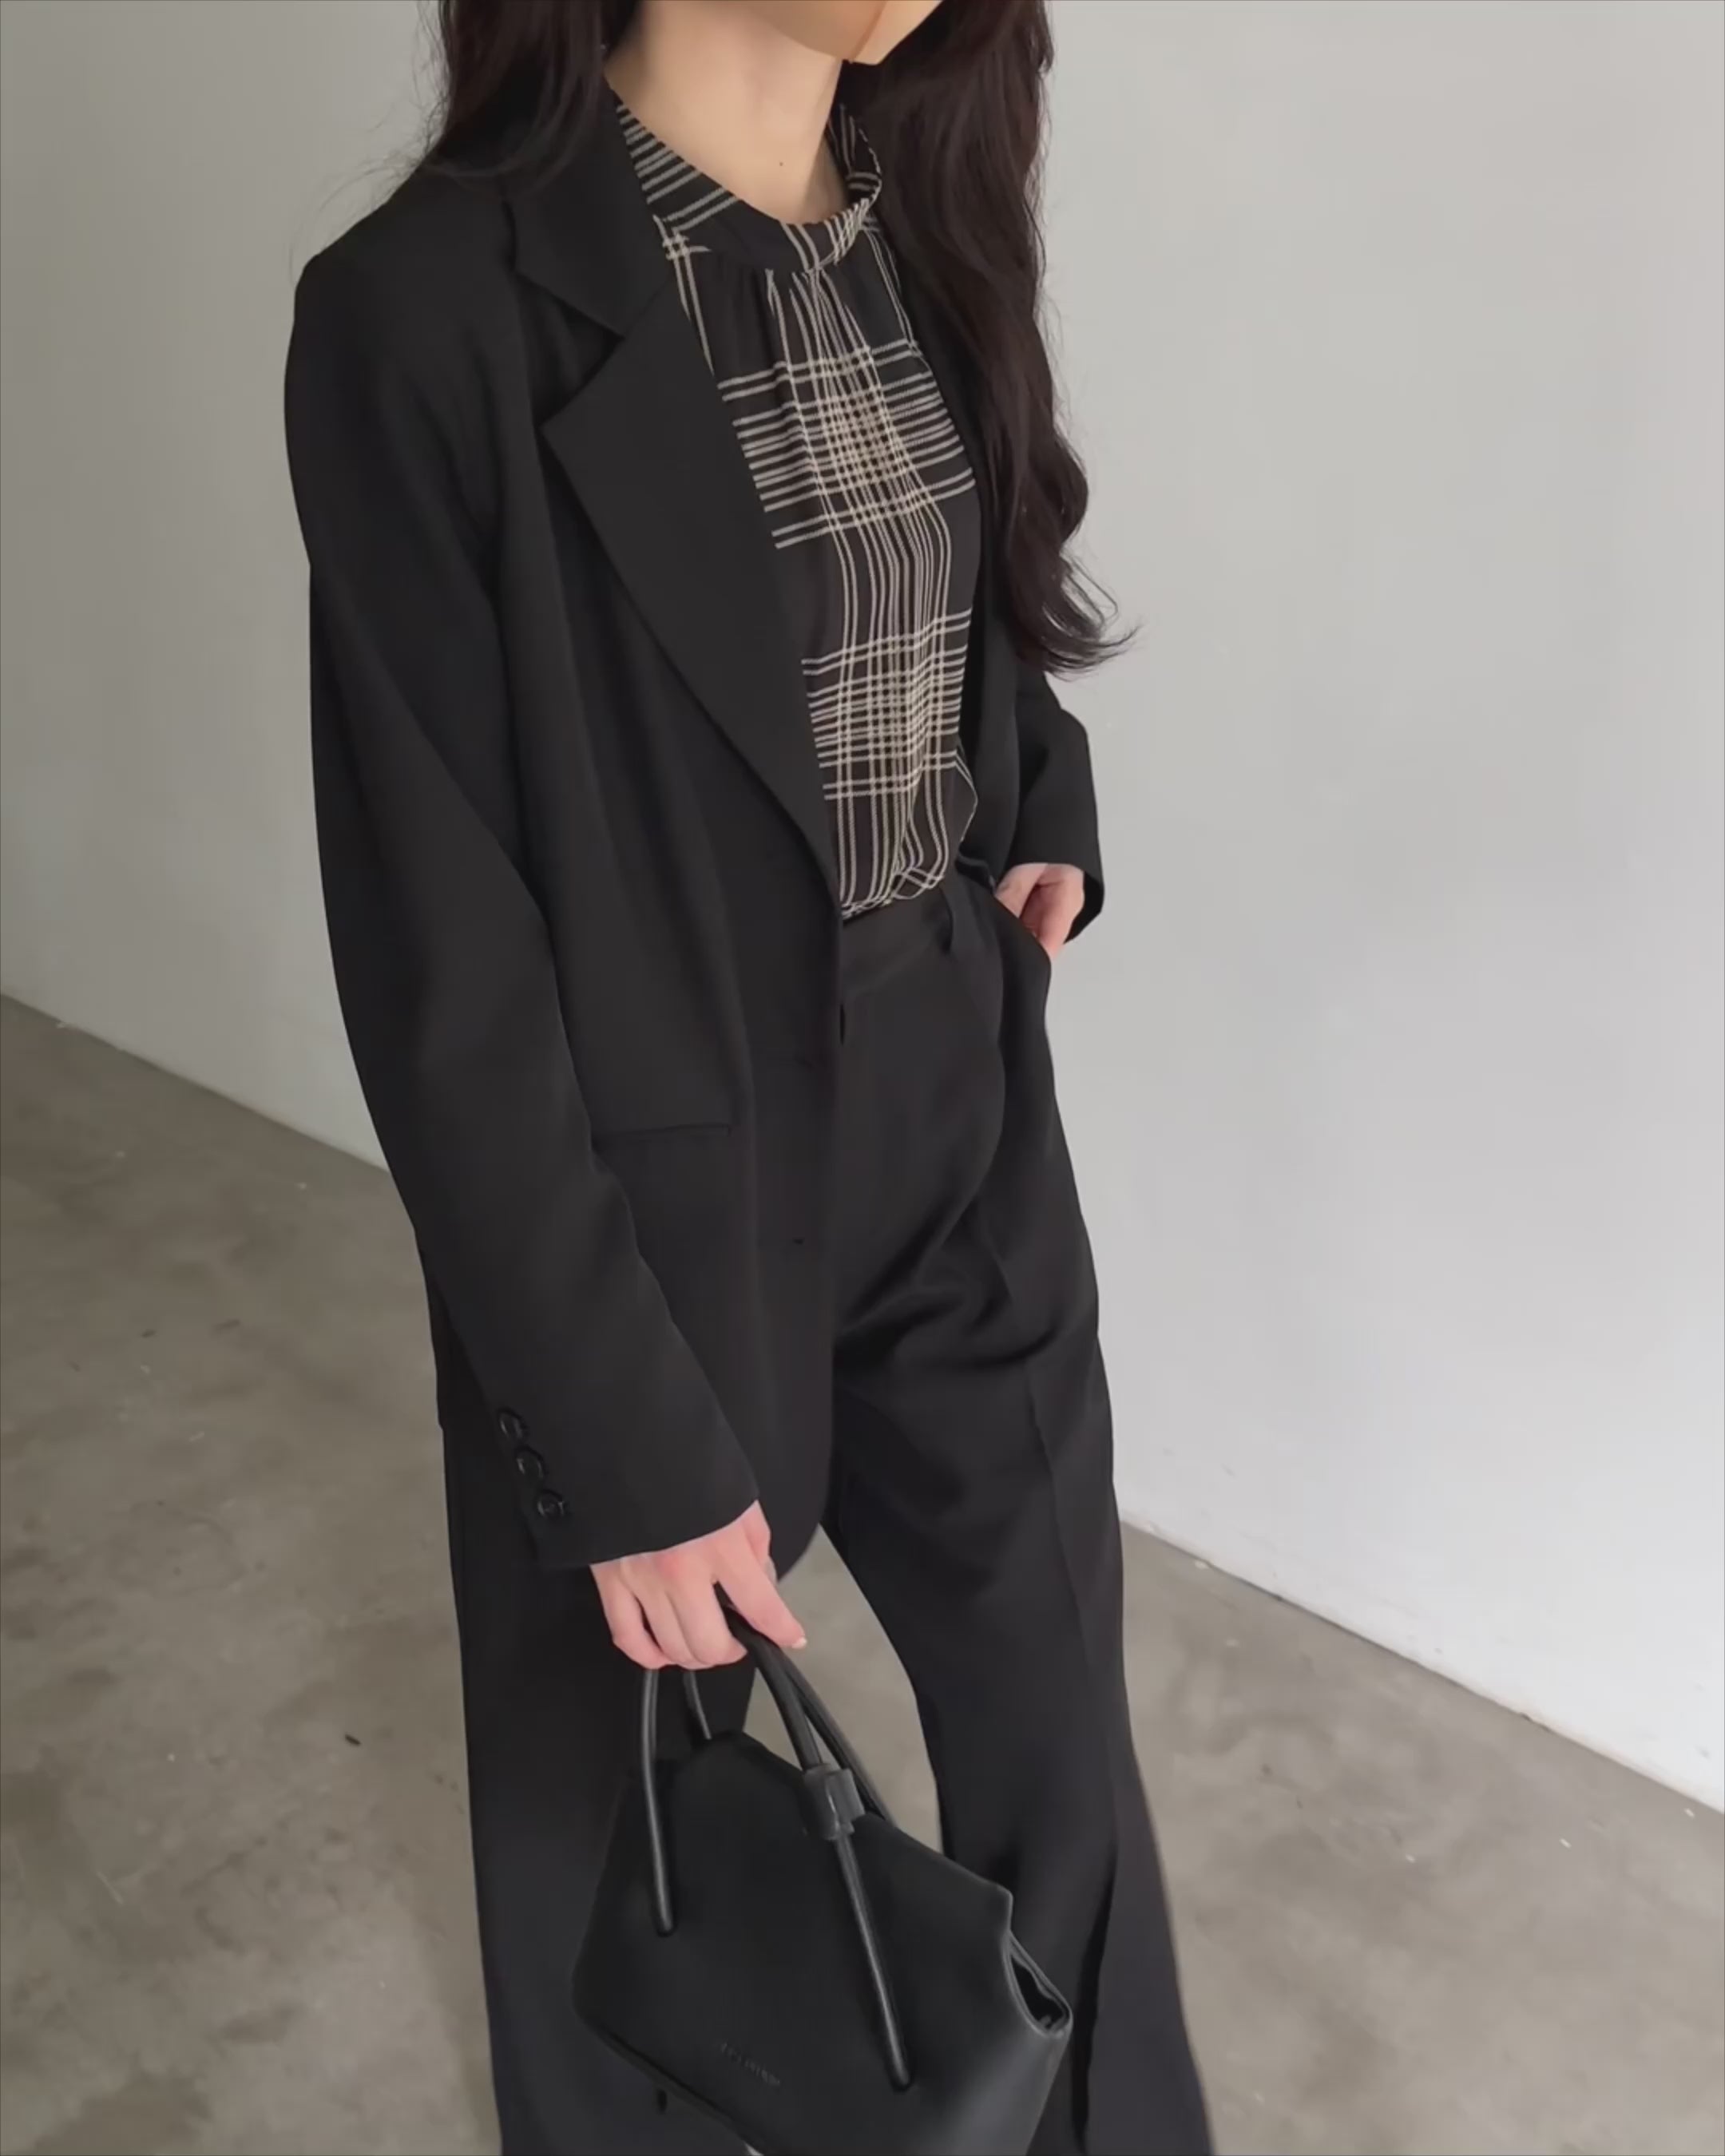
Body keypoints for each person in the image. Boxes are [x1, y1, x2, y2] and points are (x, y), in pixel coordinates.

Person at [284, 2, 1211, 2149]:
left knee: (1060, 1732)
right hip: (657, 1156)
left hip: (954, 1093)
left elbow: (951, 585)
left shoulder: (921, 217)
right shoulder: (424, 313)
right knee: (637, 1815)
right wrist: (612, 1431)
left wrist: (1040, 801)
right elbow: (442, 945)